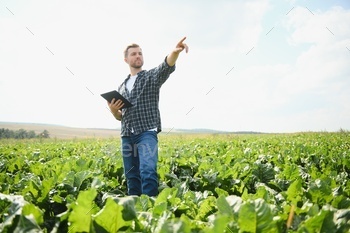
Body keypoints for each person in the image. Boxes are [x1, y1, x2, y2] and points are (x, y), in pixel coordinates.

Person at [107, 37, 189, 196]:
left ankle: (150, 210)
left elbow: (166, 66)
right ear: (126, 59)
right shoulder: (121, 87)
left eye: (140, 53)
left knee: (148, 171)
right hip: (127, 135)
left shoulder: (151, 77)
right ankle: (135, 209)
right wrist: (113, 110)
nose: (138, 56)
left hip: (146, 133)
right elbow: (120, 117)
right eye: (133, 54)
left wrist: (174, 52)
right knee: (132, 176)